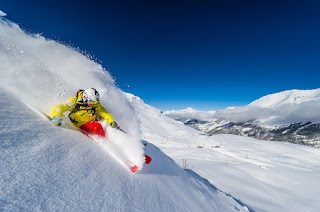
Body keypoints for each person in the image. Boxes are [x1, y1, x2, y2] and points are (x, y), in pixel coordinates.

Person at [50, 88, 118, 137]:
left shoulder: (95, 103)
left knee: (100, 115)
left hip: (91, 117)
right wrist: (56, 116)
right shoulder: (74, 101)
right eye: (92, 102)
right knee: (97, 127)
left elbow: (103, 111)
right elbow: (59, 108)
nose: (93, 104)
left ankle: (106, 127)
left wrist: (111, 121)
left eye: (95, 102)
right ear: (85, 98)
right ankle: (104, 138)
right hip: (82, 122)